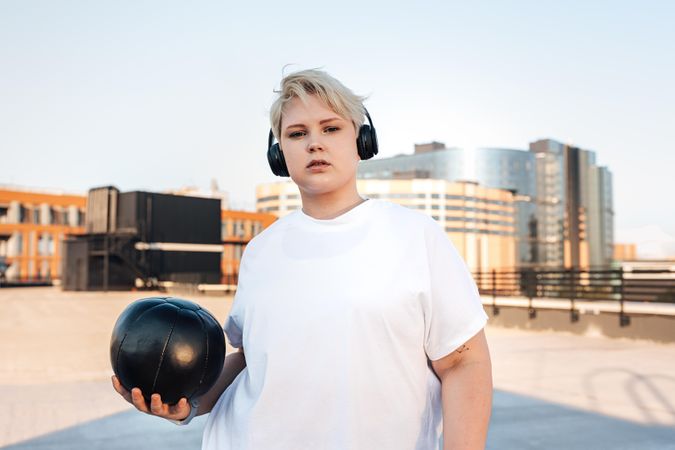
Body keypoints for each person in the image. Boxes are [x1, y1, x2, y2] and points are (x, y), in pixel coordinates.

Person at [112, 68, 493, 449]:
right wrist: (189, 404)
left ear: (362, 139)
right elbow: (249, 360)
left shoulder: (415, 235)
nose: (314, 143)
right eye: (297, 133)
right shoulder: (261, 250)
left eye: (331, 128)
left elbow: (463, 363)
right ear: (279, 153)